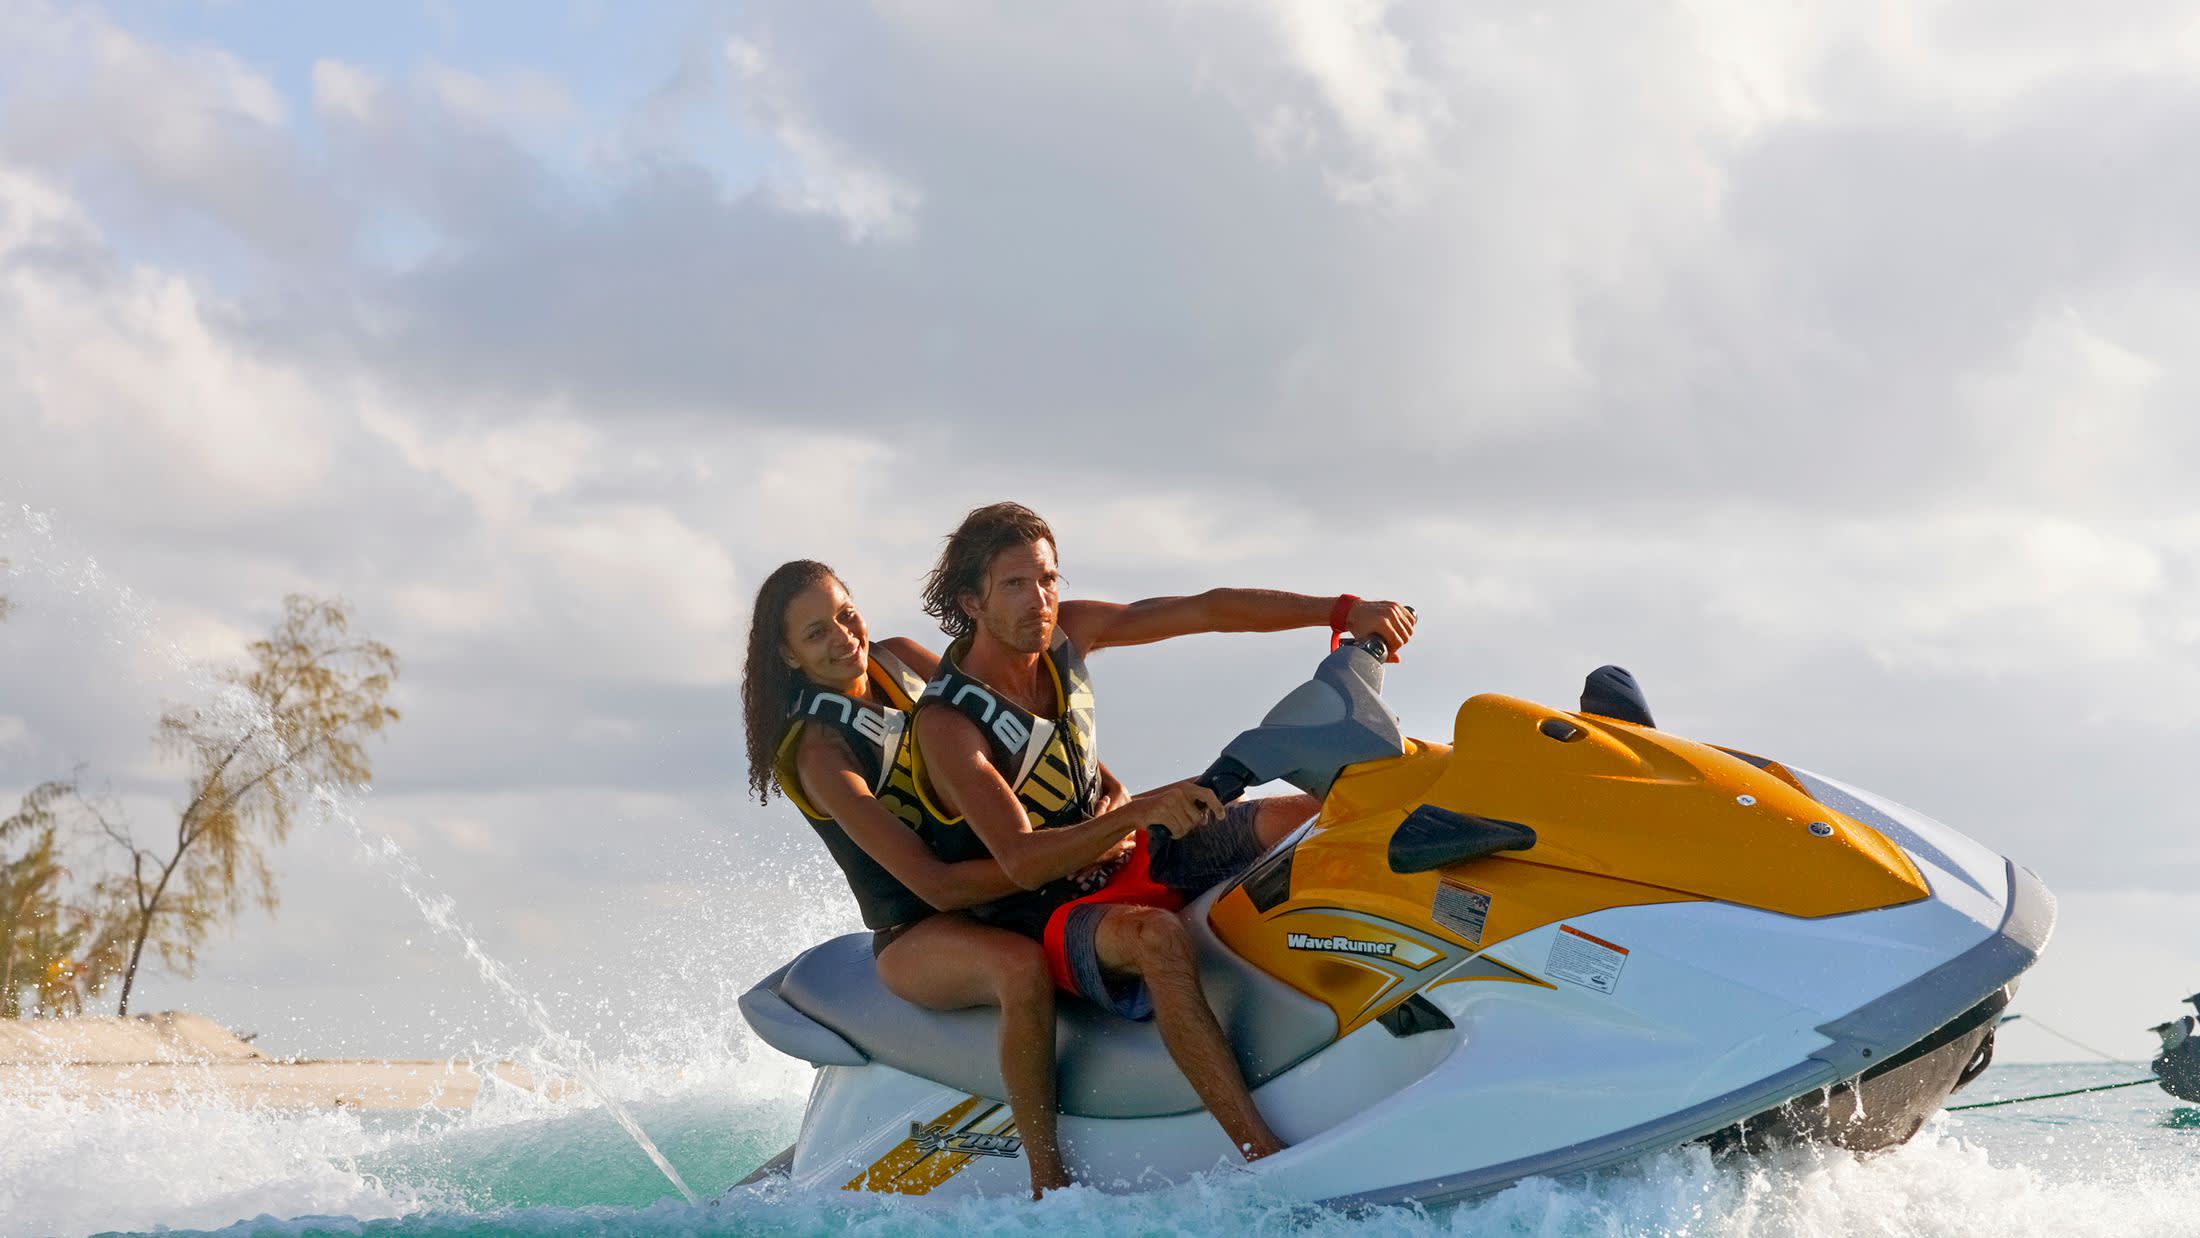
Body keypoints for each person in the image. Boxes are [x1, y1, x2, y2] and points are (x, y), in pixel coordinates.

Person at [908, 502, 1414, 1163]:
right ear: (972, 601)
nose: (1041, 601)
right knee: (1157, 937)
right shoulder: (948, 725)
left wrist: (1342, 612)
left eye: (1049, 579)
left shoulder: (1071, 633)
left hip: (1125, 848)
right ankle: (1258, 1151)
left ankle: (1398, 1005)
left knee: (1313, 814)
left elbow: (1206, 609)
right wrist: (1132, 813)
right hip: (1044, 911)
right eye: (1016, 585)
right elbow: (1022, 862)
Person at [740, 560, 1211, 1197]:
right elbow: (934, 886)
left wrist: (1105, 796)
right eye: (817, 632)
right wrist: (1054, 858)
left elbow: (1020, 732)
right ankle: (1050, 1184)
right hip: (920, 930)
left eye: (846, 615)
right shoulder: (821, 754)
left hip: (1021, 879)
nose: (844, 637)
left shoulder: (905, 659)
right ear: (788, 656)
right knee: (1019, 968)